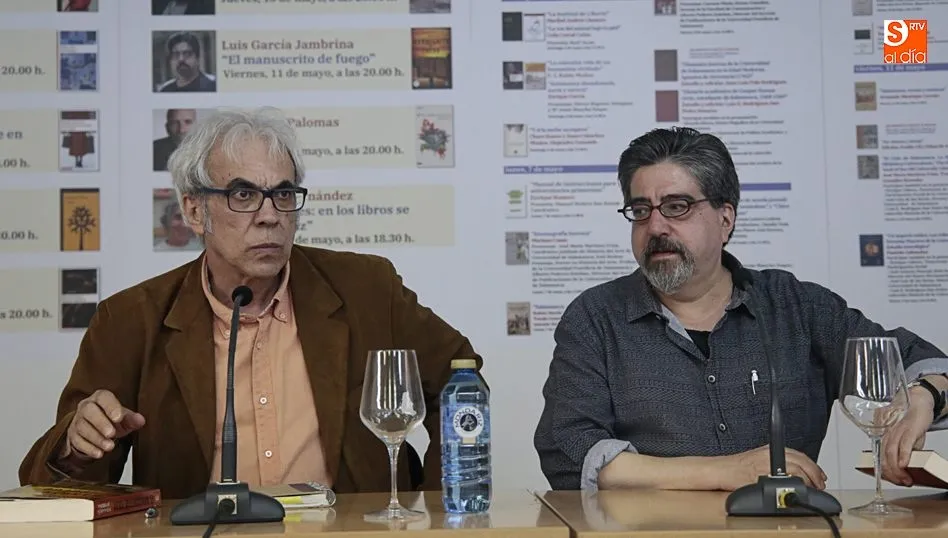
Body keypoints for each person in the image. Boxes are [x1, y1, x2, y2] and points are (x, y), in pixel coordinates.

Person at [20, 107, 482, 499]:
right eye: (243, 195)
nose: (269, 216)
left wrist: (441, 502)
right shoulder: (130, 320)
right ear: (195, 211)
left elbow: (461, 378)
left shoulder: (367, 289)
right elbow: (49, 486)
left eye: (283, 194)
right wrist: (76, 446)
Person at [534, 126, 948, 492]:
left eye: (677, 206)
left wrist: (921, 396)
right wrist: (724, 471)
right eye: (641, 211)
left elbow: (921, 363)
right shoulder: (595, 318)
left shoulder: (795, 307)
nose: (655, 226)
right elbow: (569, 453)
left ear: (725, 218)